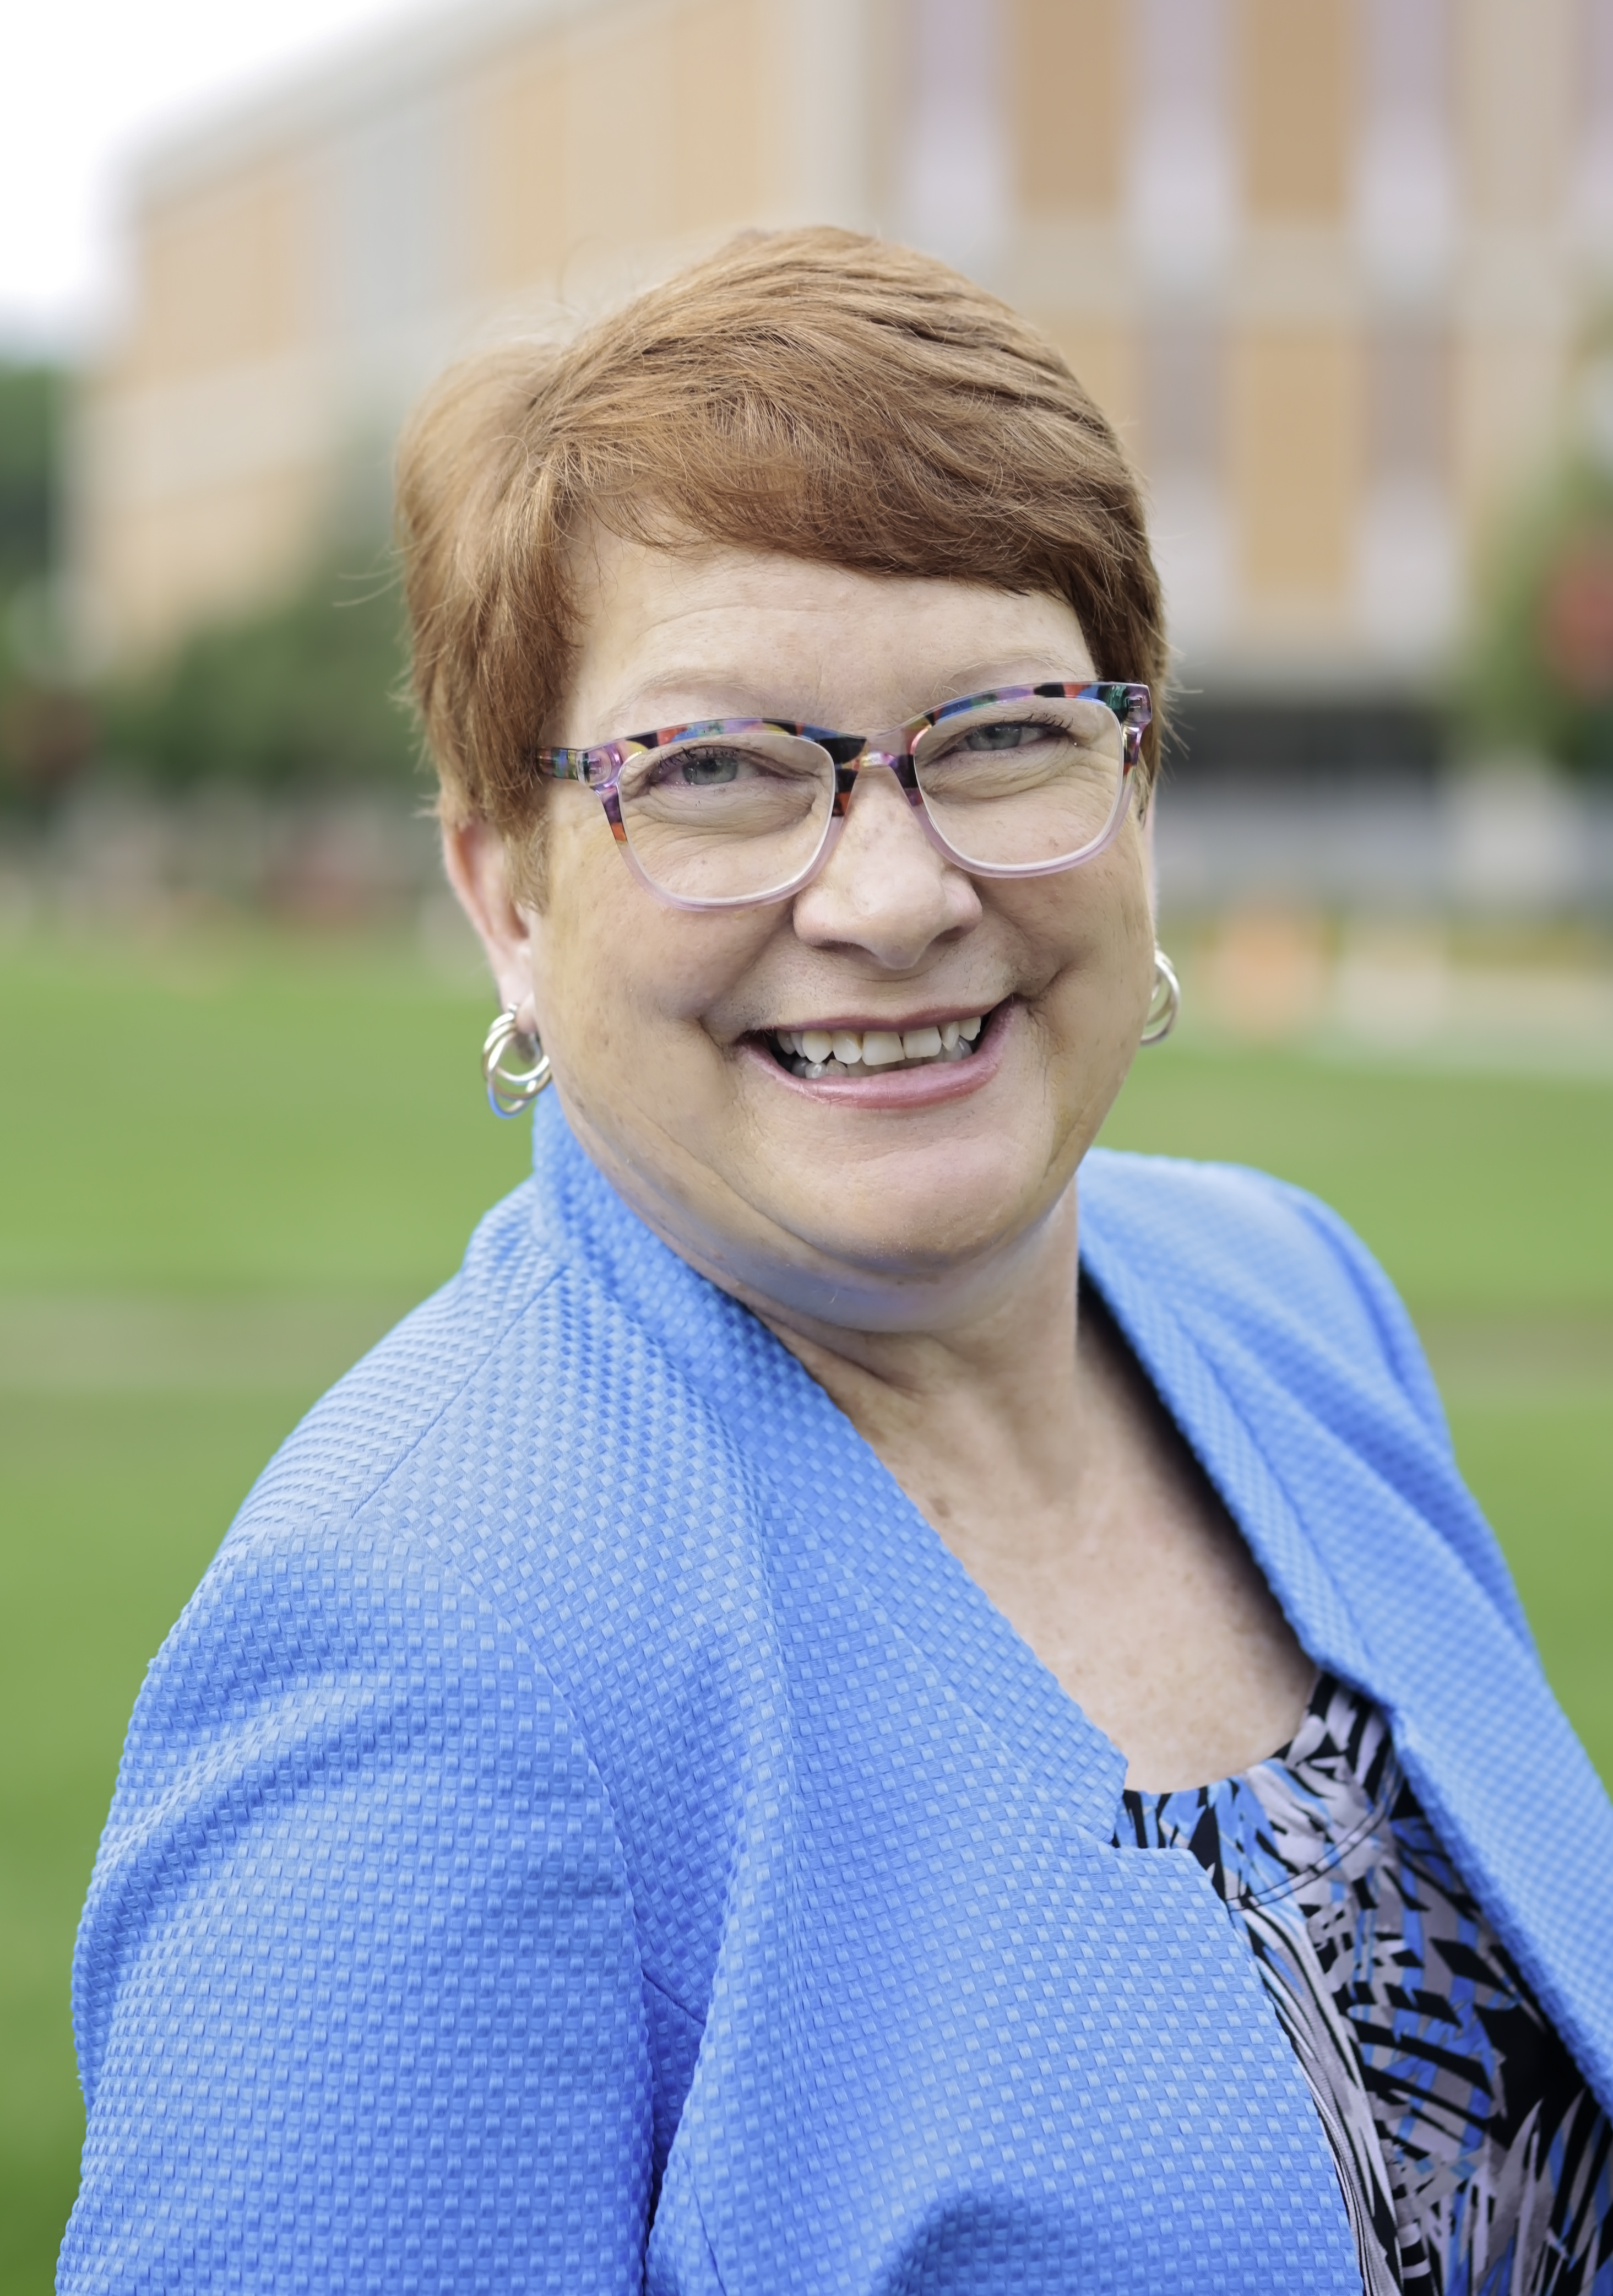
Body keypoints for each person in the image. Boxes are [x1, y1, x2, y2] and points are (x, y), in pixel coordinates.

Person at [61, 230, 1612, 2296]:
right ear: (504, 888)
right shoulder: (423, 1638)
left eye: (1001, 736)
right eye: (716, 772)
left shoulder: (1286, 1297)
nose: (892, 892)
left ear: (1135, 781)